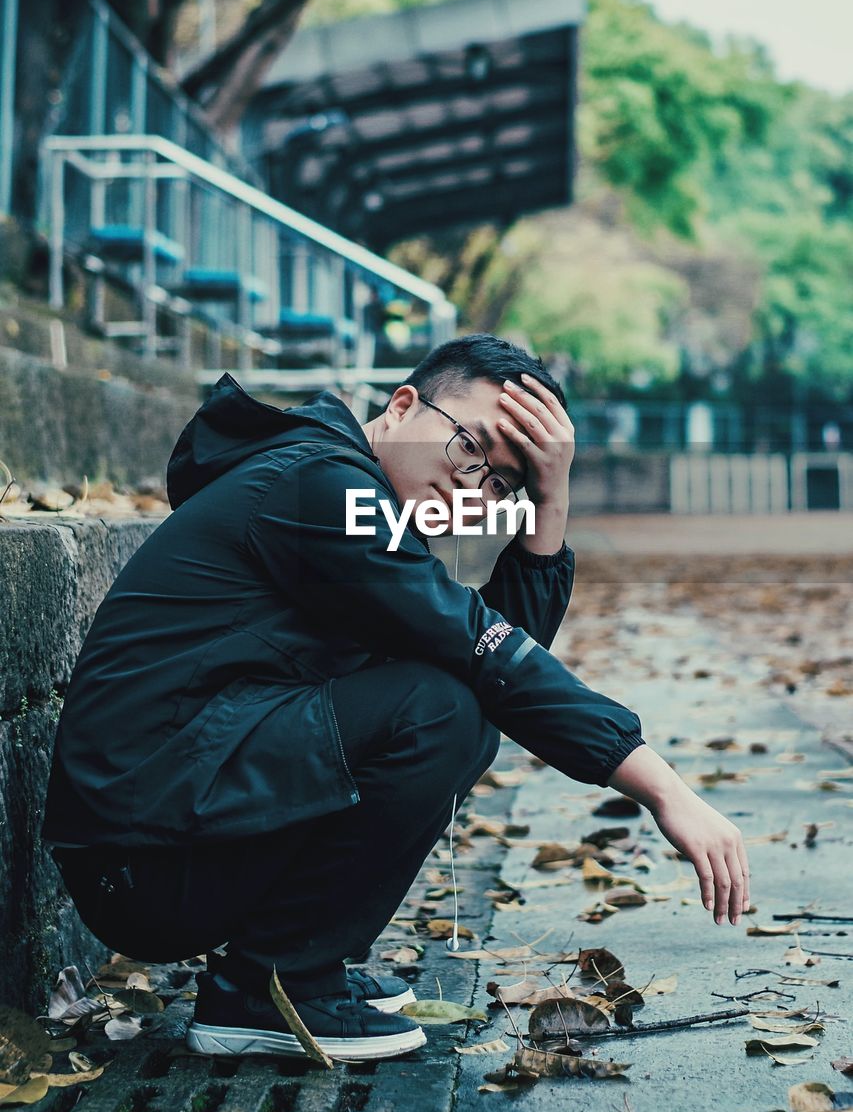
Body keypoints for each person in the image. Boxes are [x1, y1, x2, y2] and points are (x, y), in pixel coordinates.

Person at [41, 334, 750, 1062]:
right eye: (468, 449)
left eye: (502, 484)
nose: (474, 489)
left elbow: (498, 663)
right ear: (403, 404)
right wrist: (663, 790)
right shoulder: (322, 485)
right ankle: (266, 985)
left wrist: (551, 496)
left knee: (454, 704)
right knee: (436, 711)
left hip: (167, 828)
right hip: (141, 859)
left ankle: (296, 962)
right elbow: (481, 652)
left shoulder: (346, 494)